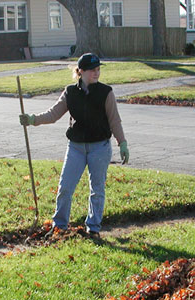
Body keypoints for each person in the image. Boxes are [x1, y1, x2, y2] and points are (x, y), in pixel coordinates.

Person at [19, 53, 129, 239]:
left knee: (97, 189)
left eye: (98, 69)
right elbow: (53, 114)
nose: (96, 73)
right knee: (65, 187)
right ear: (81, 72)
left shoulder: (106, 92)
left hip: (99, 147)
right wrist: (32, 119)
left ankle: (93, 227)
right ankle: (59, 226)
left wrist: (122, 143)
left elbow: (114, 121)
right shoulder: (70, 92)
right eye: (92, 70)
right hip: (76, 147)